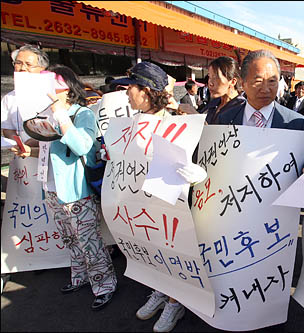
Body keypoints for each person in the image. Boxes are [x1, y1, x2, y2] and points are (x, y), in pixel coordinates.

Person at [10, 64, 117, 310]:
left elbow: (83, 147)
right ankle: (79, 277)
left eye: (54, 88)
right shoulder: (45, 112)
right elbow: (50, 148)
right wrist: (30, 150)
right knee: (70, 239)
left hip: (76, 190)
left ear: (68, 89)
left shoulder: (83, 114)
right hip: (51, 188)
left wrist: (60, 115)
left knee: (89, 241)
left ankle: (104, 285)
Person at [112, 61, 188, 333]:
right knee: (152, 252)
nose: (125, 92)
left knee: (172, 253)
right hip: (138, 204)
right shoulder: (130, 124)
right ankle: (159, 290)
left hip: (167, 208)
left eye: (130, 87)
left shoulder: (177, 125)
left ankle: (174, 301)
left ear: (146, 90)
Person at [215, 49, 304, 172]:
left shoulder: (297, 123)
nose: (265, 89)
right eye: (258, 81)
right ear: (243, 83)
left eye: (272, 81)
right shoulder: (225, 119)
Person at [1, 44, 50, 146]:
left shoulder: (51, 94)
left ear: (42, 68)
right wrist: (19, 144)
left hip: (49, 153)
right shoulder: (9, 98)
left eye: (28, 64)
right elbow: (7, 128)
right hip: (21, 156)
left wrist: (37, 142)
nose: (23, 68)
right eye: (18, 63)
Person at [178, 56, 245, 125]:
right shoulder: (214, 103)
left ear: (232, 82)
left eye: (216, 77)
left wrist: (194, 115)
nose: (210, 83)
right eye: (209, 77)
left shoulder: (242, 107)